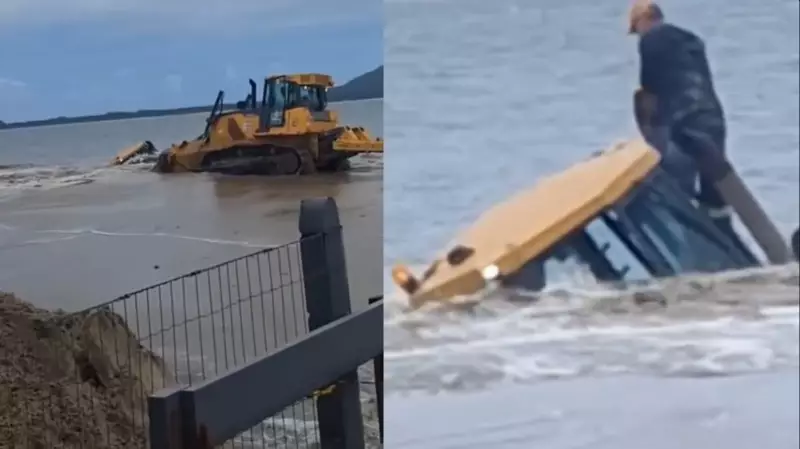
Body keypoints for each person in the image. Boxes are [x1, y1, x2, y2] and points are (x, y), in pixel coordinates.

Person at [628, 1, 736, 237]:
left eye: (636, 29)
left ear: (643, 20)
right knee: (715, 195)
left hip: (683, 124)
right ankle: (727, 240)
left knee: (676, 189)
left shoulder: (650, 40)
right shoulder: (692, 40)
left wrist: (652, 134)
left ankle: (687, 237)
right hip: (713, 119)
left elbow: (650, 89)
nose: (638, 36)